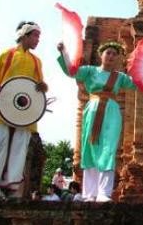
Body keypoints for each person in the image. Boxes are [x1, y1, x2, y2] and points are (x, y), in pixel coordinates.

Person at [57, 41, 137, 202]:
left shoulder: (120, 77)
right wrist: (64, 52)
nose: (111, 56)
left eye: (115, 54)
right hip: (92, 109)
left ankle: (104, 192)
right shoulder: (90, 71)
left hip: (111, 112)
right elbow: (72, 71)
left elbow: (138, 84)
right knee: (89, 149)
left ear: (118, 59)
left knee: (108, 149)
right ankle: (89, 193)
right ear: (101, 55)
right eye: (108, 53)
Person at [0, 21, 48, 199]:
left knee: (20, 144)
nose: (38, 40)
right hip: (1, 108)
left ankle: (11, 186)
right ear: (24, 36)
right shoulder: (6, 55)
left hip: (24, 111)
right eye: (35, 36)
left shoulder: (36, 61)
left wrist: (43, 87)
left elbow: (38, 86)